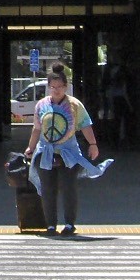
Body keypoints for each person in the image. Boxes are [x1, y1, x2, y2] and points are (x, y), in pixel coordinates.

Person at [21, 64, 108, 236]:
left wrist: (93, 144)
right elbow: (37, 129)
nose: (56, 90)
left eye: (59, 87)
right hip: (46, 152)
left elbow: (86, 125)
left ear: (66, 87)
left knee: (69, 188)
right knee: (48, 189)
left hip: (69, 153)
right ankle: (51, 225)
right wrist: (30, 147)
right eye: (52, 87)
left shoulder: (74, 105)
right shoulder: (41, 105)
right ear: (48, 87)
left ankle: (69, 224)